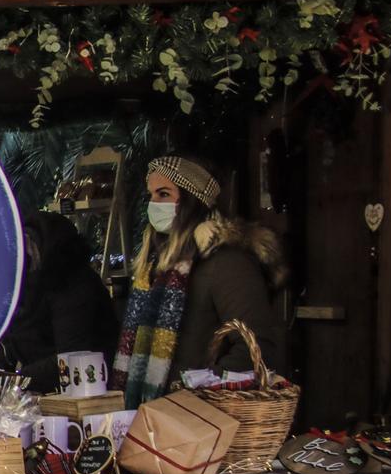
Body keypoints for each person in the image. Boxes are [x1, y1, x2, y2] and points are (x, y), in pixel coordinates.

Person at [114, 155, 288, 407]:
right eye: (151, 195)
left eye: (163, 194)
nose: (153, 204)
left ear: (191, 200)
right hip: (158, 417)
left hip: (203, 419)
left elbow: (257, 349)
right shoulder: (156, 266)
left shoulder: (227, 262)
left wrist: (196, 391)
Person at [2, 210, 117, 392]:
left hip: (88, 388)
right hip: (49, 387)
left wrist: (15, 380)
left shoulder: (71, 280)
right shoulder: (22, 278)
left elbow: (72, 355)